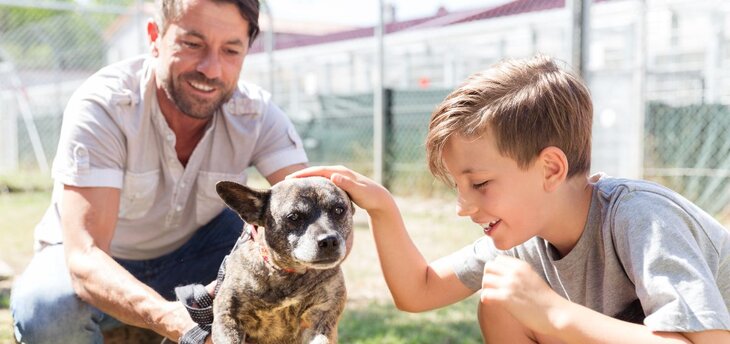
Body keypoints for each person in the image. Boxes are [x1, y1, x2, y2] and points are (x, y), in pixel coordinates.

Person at [290, 55, 730, 343]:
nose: (464, 207)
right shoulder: (525, 233)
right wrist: (382, 207)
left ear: (550, 169)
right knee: (500, 300)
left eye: (479, 184)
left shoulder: (641, 217)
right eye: (458, 188)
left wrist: (550, 311)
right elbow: (419, 292)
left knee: (516, 298)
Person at [10, 0, 307, 342]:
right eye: (193, 45)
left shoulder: (257, 114)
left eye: (230, 50)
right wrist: (177, 321)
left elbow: (316, 211)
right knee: (47, 308)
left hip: (201, 256)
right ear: (155, 36)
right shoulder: (105, 105)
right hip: (99, 260)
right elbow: (85, 255)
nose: (211, 69)